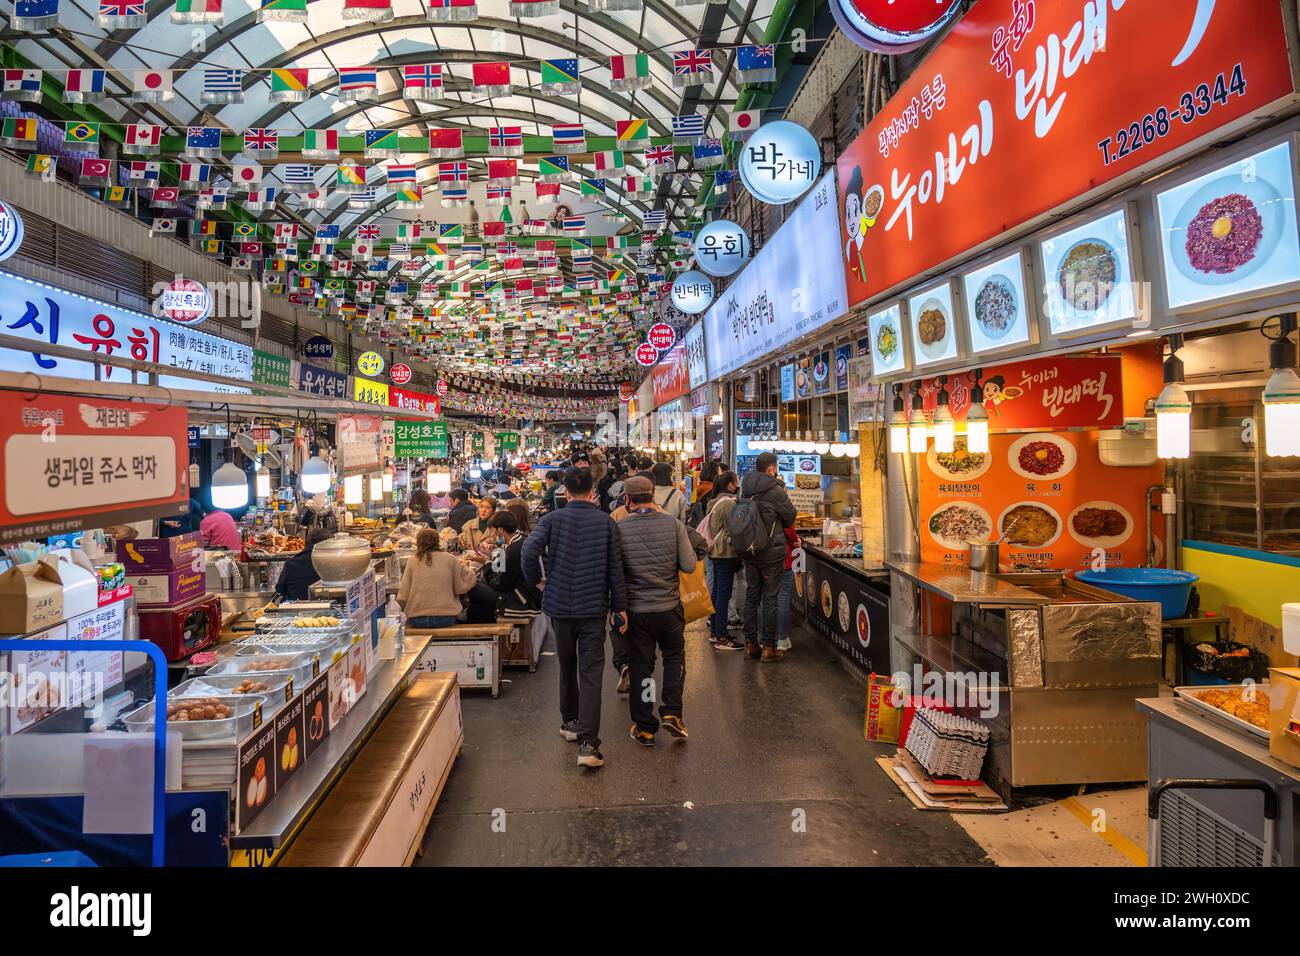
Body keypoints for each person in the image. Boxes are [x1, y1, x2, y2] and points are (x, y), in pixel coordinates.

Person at [522, 467, 628, 769]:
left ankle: (569, 722)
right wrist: (619, 608)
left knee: (566, 666)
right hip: (593, 608)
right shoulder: (606, 523)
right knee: (592, 673)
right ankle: (587, 744)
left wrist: (539, 584)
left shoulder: (552, 520)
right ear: (593, 492)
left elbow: (529, 551)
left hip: (559, 607)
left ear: (565, 492)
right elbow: (615, 570)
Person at [616, 476, 704, 746]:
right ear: (653, 495)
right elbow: (689, 566)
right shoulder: (673, 524)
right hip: (668, 608)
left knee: (642, 667)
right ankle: (672, 713)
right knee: (674, 658)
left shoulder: (620, 528)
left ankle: (644, 726)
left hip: (637, 611)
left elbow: (616, 571)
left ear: (628, 500)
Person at [739, 452, 797, 663]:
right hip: (771, 552)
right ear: (772, 469)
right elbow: (790, 517)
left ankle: (749, 644)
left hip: (750, 550)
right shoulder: (775, 490)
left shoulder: (745, 488)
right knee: (770, 597)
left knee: (752, 595)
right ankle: (769, 647)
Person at [467, 511, 541, 623]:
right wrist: (489, 558)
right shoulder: (512, 542)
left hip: (520, 599)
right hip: (513, 590)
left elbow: (499, 584)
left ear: (500, 530)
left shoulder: (515, 550)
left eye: (492, 531)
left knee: (472, 588)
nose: (491, 535)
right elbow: (499, 571)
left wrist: (487, 563)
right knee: (477, 596)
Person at [397, 528, 478, 628]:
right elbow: (463, 585)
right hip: (445, 618)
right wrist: (469, 568)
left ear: (418, 542)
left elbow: (402, 596)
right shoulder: (450, 559)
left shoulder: (412, 561)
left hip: (418, 620)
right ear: (437, 541)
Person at [704, 470, 743, 650]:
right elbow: (734, 529)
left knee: (717, 592)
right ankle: (721, 636)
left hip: (714, 552)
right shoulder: (728, 504)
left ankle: (715, 630)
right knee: (723, 594)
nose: (739, 483)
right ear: (730, 485)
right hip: (724, 552)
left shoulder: (713, 502)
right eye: (737, 481)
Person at [275, 521, 330, 601]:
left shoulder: (291, 564)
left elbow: (278, 594)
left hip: (297, 611)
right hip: (328, 610)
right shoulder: (332, 564)